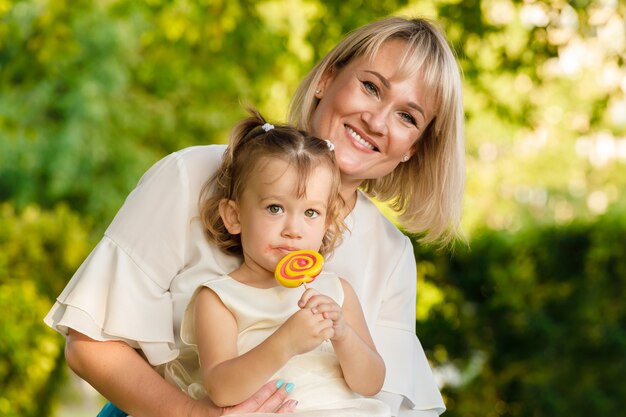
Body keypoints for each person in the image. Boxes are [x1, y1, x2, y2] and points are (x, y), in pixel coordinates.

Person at [45, 15, 464, 417]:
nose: (376, 120)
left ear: (414, 146)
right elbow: (89, 345)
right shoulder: (192, 177)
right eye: (371, 87)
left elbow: (381, 397)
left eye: (407, 116)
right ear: (325, 79)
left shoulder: (390, 255)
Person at [165, 110, 389, 416]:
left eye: (310, 213)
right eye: (275, 208)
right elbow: (221, 388)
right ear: (234, 216)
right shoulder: (220, 299)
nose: (293, 229)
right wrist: (286, 342)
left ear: (327, 223)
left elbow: (371, 383)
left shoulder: (337, 292)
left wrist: (343, 334)